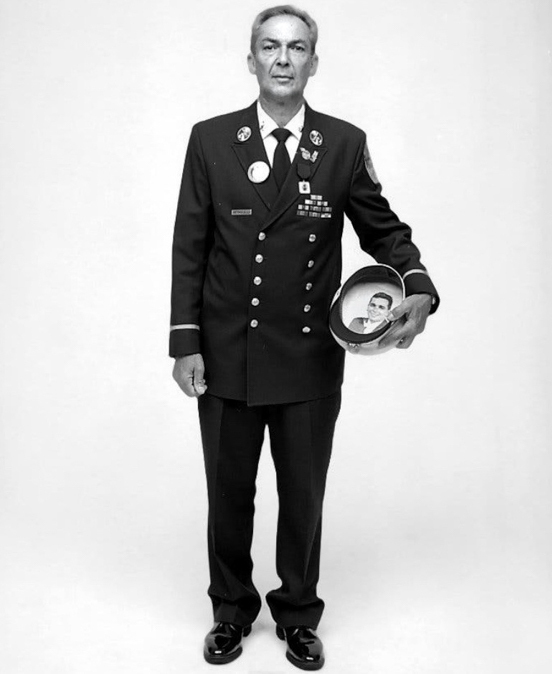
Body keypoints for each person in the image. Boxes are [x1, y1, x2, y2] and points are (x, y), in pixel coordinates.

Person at [170, 5, 439, 670]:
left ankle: (297, 614)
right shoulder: (210, 140)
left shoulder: (342, 144)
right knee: (228, 494)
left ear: (314, 62)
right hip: (228, 351)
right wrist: (185, 341)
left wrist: (419, 283)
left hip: (308, 358)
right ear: (252, 59)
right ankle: (230, 612)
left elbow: (383, 229)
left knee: (304, 493)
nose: (283, 59)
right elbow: (190, 247)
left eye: (296, 48)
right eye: (270, 47)